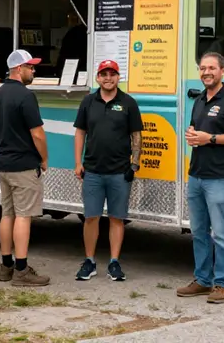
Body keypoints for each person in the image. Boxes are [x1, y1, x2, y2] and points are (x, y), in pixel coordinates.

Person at [177, 52, 224, 305]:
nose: (206, 72)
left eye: (211, 68)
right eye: (202, 68)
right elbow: (197, 131)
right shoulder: (199, 100)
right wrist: (193, 134)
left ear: (222, 71)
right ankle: (202, 280)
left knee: (220, 233)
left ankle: (222, 284)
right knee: (198, 232)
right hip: (196, 175)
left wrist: (212, 139)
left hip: (220, 178)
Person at [73, 60, 143, 282]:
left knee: (116, 218)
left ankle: (114, 262)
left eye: (112, 74)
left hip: (119, 172)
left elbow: (137, 136)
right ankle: (89, 261)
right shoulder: (88, 102)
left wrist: (135, 164)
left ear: (118, 77)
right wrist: (78, 162)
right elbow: (80, 133)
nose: (108, 78)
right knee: (91, 217)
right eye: (104, 74)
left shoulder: (128, 103)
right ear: (98, 78)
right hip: (92, 171)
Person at [0, 50, 50, 287]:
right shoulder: (26, 96)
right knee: (24, 217)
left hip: (3, 163)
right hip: (24, 165)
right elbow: (37, 133)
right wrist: (44, 158)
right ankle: (22, 270)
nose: (34, 71)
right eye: (30, 67)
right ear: (18, 69)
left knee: (7, 214)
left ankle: (6, 266)